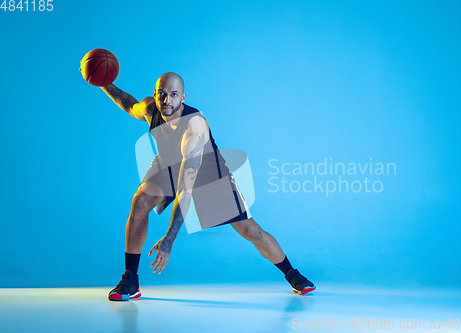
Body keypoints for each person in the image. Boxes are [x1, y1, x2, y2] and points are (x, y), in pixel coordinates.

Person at [100, 72, 315, 301]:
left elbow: (185, 189)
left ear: (183, 97)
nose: (167, 100)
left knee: (250, 230)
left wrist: (169, 240)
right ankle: (130, 278)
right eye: (162, 94)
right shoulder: (150, 109)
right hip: (169, 166)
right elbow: (128, 103)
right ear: (155, 94)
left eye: (173, 95)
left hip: (208, 174)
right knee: (140, 201)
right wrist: (104, 82)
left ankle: (292, 274)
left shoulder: (194, 126)